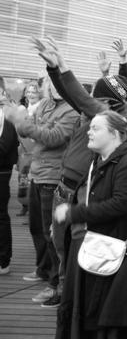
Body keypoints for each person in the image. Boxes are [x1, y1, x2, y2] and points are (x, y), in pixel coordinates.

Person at [31, 35, 127, 309]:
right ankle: (62, 288)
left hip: (82, 193)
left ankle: (70, 294)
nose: (89, 101)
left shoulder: (113, 119)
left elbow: (78, 96)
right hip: (63, 187)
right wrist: (54, 70)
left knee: (75, 246)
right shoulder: (95, 112)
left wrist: (62, 65)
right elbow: (69, 93)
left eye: (98, 96)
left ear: (109, 101)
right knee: (57, 241)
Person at [54, 110, 127, 338]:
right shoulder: (101, 160)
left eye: (96, 128)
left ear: (114, 135)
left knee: (121, 321)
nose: (89, 131)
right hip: (106, 249)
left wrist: (73, 214)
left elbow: (119, 205)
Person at [4, 73, 78, 306]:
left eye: (57, 82)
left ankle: (56, 285)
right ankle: (45, 270)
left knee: (53, 233)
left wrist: (21, 121)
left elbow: (53, 137)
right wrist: (23, 123)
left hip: (54, 176)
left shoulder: (71, 110)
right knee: (37, 227)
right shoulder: (46, 104)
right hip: (37, 173)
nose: (53, 86)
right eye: (49, 82)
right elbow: (28, 133)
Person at [0, 78, 19, 275]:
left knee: (0, 215)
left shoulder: (7, 113)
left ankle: (3, 260)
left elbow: (5, 146)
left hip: (2, 170)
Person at [16, 82, 42, 217]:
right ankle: (25, 205)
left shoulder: (40, 109)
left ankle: (33, 210)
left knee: (31, 179)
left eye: (34, 92)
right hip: (23, 149)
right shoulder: (23, 108)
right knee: (22, 178)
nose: (30, 94)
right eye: (28, 92)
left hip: (36, 150)